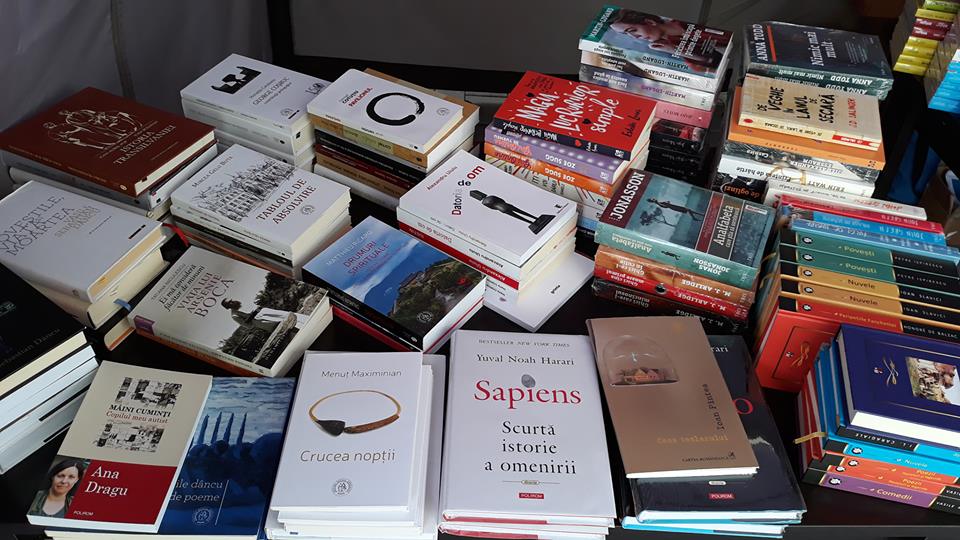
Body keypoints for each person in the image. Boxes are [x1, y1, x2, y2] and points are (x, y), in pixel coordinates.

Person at [606, 10, 727, 72]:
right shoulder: (672, 47)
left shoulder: (685, 19)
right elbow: (717, 62)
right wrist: (675, 50)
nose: (635, 37)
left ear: (650, 22)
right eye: (626, 34)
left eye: (632, 30)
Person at [221, 299, 309, 331]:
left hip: (264, 313)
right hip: (262, 321)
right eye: (230, 303)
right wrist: (253, 315)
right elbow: (248, 326)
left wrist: (257, 310)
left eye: (231, 301)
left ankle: (306, 321)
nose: (232, 302)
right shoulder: (234, 316)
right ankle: (303, 327)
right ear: (228, 307)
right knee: (285, 322)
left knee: (287, 314)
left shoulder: (239, 307)